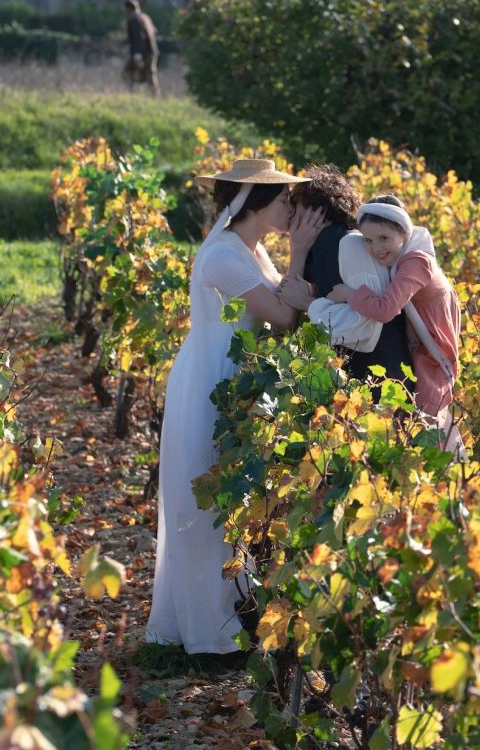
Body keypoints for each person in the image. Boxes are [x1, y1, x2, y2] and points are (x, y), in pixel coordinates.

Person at [146, 159, 324, 655]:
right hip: (211, 381)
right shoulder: (225, 254)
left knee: (231, 506)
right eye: (283, 199)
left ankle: (231, 618)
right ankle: (208, 634)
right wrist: (302, 251)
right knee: (209, 504)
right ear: (254, 202)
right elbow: (283, 316)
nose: (291, 207)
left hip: (231, 379)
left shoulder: (250, 248)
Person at [323, 196, 463, 452]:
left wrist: (348, 294)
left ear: (404, 233)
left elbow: (385, 310)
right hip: (423, 348)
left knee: (428, 432)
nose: (375, 248)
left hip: (432, 355)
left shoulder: (416, 262)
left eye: (383, 238)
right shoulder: (403, 258)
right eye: (367, 240)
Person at [284, 167, 413, 397]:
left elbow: (366, 327)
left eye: (296, 206)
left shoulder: (350, 246)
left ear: (317, 211)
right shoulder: (320, 250)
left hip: (384, 387)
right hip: (360, 385)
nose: (289, 214)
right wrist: (298, 250)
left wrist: (309, 304)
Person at [122, 0, 159, 97]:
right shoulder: (145, 17)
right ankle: (155, 95)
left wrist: (138, 56)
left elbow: (138, 38)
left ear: (129, 8)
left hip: (142, 52)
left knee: (127, 72)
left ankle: (132, 94)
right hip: (151, 51)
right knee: (151, 74)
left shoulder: (134, 19)